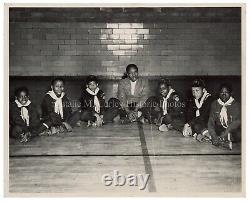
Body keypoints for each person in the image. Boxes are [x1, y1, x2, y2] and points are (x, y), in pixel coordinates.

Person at [208, 83, 241, 149]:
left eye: (226, 92)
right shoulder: (215, 104)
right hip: (219, 130)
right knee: (211, 135)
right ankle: (222, 142)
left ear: (231, 93)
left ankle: (229, 143)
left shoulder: (236, 105)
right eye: (221, 92)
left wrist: (224, 135)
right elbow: (211, 122)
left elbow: (236, 123)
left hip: (231, 130)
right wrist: (214, 136)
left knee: (239, 135)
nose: (224, 94)